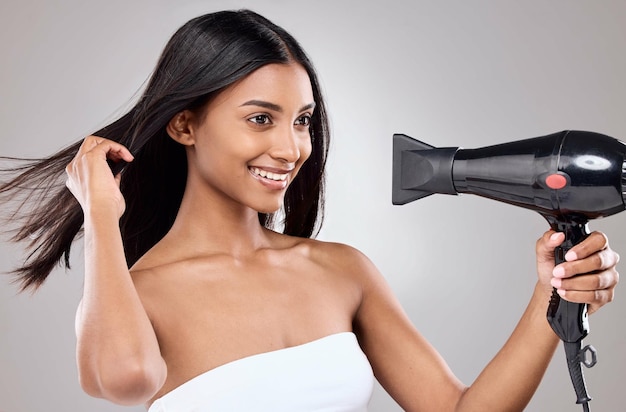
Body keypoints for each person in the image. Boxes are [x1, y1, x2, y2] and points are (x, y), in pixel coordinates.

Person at [0, 9, 620, 412]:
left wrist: (553, 295)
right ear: (185, 125)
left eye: (302, 122)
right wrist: (101, 217)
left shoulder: (341, 271)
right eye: (260, 119)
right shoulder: (137, 295)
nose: (291, 148)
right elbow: (124, 380)